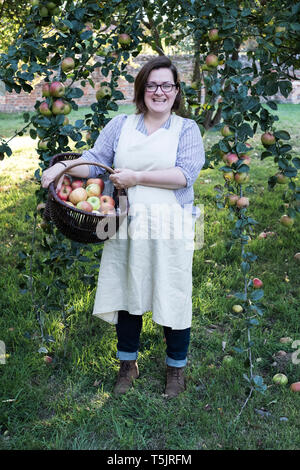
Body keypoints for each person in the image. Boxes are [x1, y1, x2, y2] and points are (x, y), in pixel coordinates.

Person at [41, 56, 205, 398]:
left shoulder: (185, 129)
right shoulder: (121, 125)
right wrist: (62, 169)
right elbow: (96, 165)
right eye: (152, 85)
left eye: (167, 85)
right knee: (128, 291)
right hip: (125, 222)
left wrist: (137, 177)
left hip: (170, 224)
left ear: (176, 91)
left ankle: (176, 368)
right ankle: (127, 365)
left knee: (173, 292)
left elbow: (184, 175)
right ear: (141, 89)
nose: (159, 92)